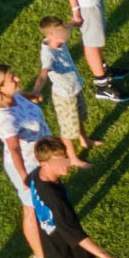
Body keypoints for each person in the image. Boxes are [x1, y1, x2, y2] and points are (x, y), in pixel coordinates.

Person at [0, 64, 53, 258]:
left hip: (42, 158)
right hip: (27, 165)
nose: (18, 80)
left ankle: (54, 223)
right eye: (12, 80)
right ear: (0, 88)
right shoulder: (5, 117)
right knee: (30, 208)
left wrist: (33, 97)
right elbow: (14, 150)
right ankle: (40, 255)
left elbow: (23, 96)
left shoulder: (13, 97)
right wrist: (24, 177)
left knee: (47, 198)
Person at [30, 16, 92, 167]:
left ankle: (85, 140)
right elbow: (43, 74)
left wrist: (73, 23)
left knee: (80, 116)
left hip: (75, 87)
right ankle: (72, 158)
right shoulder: (49, 56)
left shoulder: (60, 40)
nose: (65, 33)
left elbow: (68, 27)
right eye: (60, 31)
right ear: (49, 35)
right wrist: (35, 91)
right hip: (65, 96)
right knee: (68, 130)